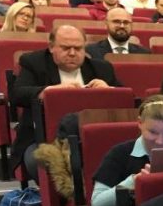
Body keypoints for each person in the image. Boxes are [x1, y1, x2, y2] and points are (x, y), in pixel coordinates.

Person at [11, 25, 120, 179]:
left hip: (92, 137)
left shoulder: (101, 68)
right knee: (41, 162)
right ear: (51, 47)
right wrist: (48, 91)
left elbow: (127, 99)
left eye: (78, 48)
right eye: (66, 48)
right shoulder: (34, 62)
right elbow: (17, 95)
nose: (72, 53)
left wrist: (109, 90)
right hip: (44, 139)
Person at [86, 7, 152, 59]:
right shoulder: (91, 51)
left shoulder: (144, 54)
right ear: (106, 24)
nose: (122, 26)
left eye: (126, 22)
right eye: (116, 22)